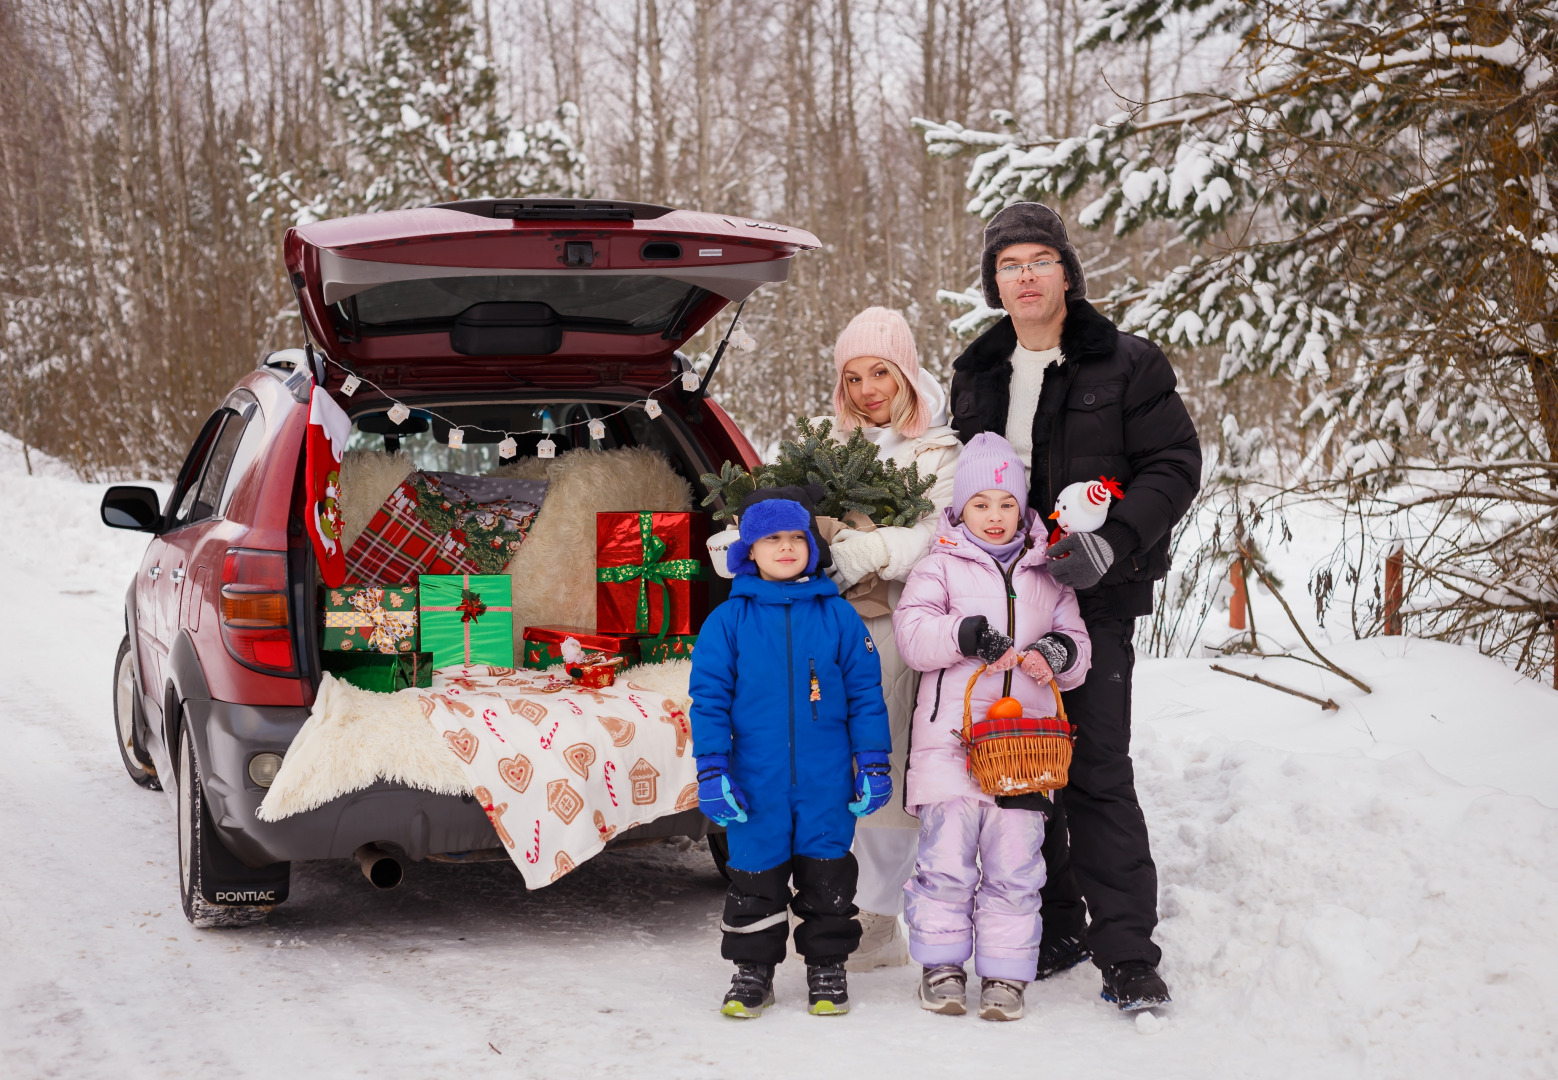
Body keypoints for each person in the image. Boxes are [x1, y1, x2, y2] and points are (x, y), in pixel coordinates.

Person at [947, 202, 1201, 1010]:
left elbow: (1174, 462)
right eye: (1008, 264)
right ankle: (1056, 923)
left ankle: (1127, 953)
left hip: (1093, 597)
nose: (1024, 276)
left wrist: (1115, 541)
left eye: (1038, 261)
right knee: (1018, 767)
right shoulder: (977, 371)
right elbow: (958, 486)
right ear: (995, 282)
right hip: (1006, 602)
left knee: (1093, 770)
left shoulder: (1127, 364)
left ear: (1066, 272)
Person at [892, 433, 1092, 1021]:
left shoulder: (1047, 573)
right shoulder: (939, 566)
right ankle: (941, 965)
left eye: (1006, 504)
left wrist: (1054, 653)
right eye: (981, 504)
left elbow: (1078, 648)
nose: (995, 517)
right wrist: (965, 635)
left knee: (1015, 866)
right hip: (949, 746)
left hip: (1024, 750)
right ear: (960, 508)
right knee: (946, 863)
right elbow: (913, 636)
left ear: (1023, 505)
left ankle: (1005, 976)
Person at [689, 487, 894, 1019]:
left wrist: (873, 763)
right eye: (770, 539)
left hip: (826, 781)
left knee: (828, 876)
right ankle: (752, 971)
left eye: (795, 538)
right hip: (756, 780)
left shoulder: (839, 618)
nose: (785, 548)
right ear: (748, 552)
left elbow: (867, 697)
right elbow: (707, 701)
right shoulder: (728, 623)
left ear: (811, 545)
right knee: (754, 875)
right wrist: (712, 771)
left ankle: (827, 967)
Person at [815, 307, 963, 971]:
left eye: (880, 372)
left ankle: (877, 916)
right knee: (823, 759)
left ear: (905, 371)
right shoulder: (829, 443)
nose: (868, 388)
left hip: (900, 623)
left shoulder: (938, 450)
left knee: (888, 758)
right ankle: (825, 897)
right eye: (853, 377)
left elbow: (938, 532)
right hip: (828, 623)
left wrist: (871, 547)